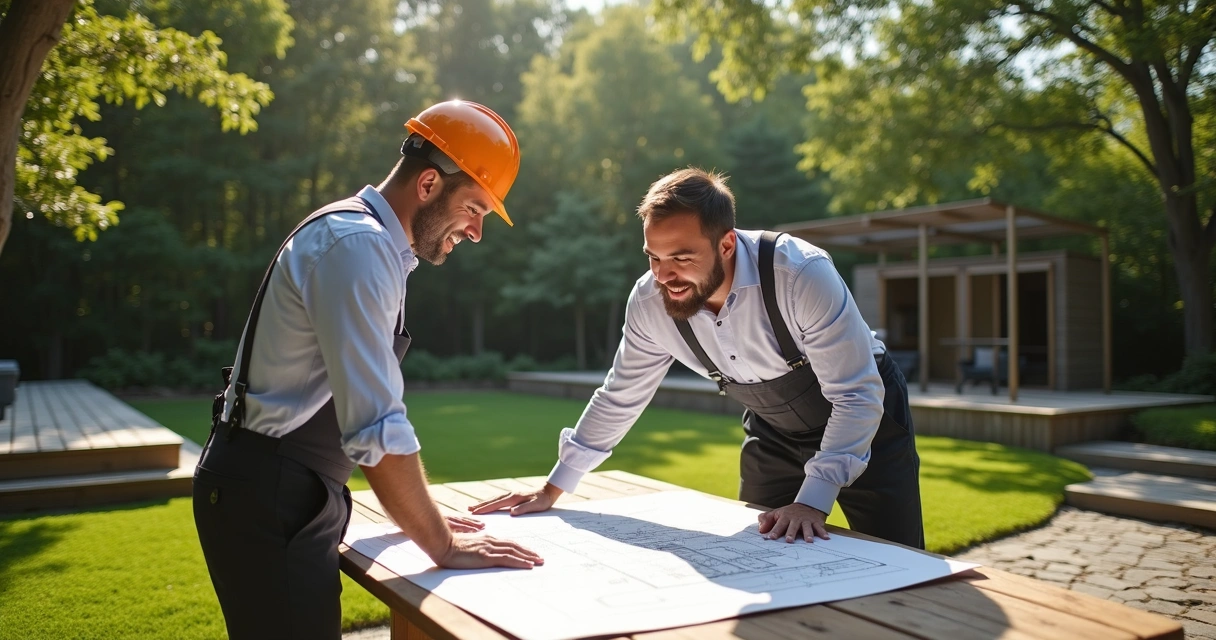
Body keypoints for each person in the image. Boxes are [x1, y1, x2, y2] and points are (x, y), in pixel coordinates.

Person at [193, 100, 542, 640]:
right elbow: (376, 426)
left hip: (283, 491)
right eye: (475, 208)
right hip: (267, 497)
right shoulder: (357, 248)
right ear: (428, 185)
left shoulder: (371, 246)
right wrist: (441, 543)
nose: (477, 232)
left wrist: (424, 519)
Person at [471, 167, 923, 549]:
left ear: (726, 245)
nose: (664, 276)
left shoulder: (800, 273)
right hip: (773, 433)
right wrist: (556, 485)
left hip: (869, 422)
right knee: (760, 556)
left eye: (682, 258)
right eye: (654, 257)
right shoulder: (650, 302)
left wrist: (813, 499)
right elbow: (620, 396)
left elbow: (857, 394)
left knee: (901, 562)